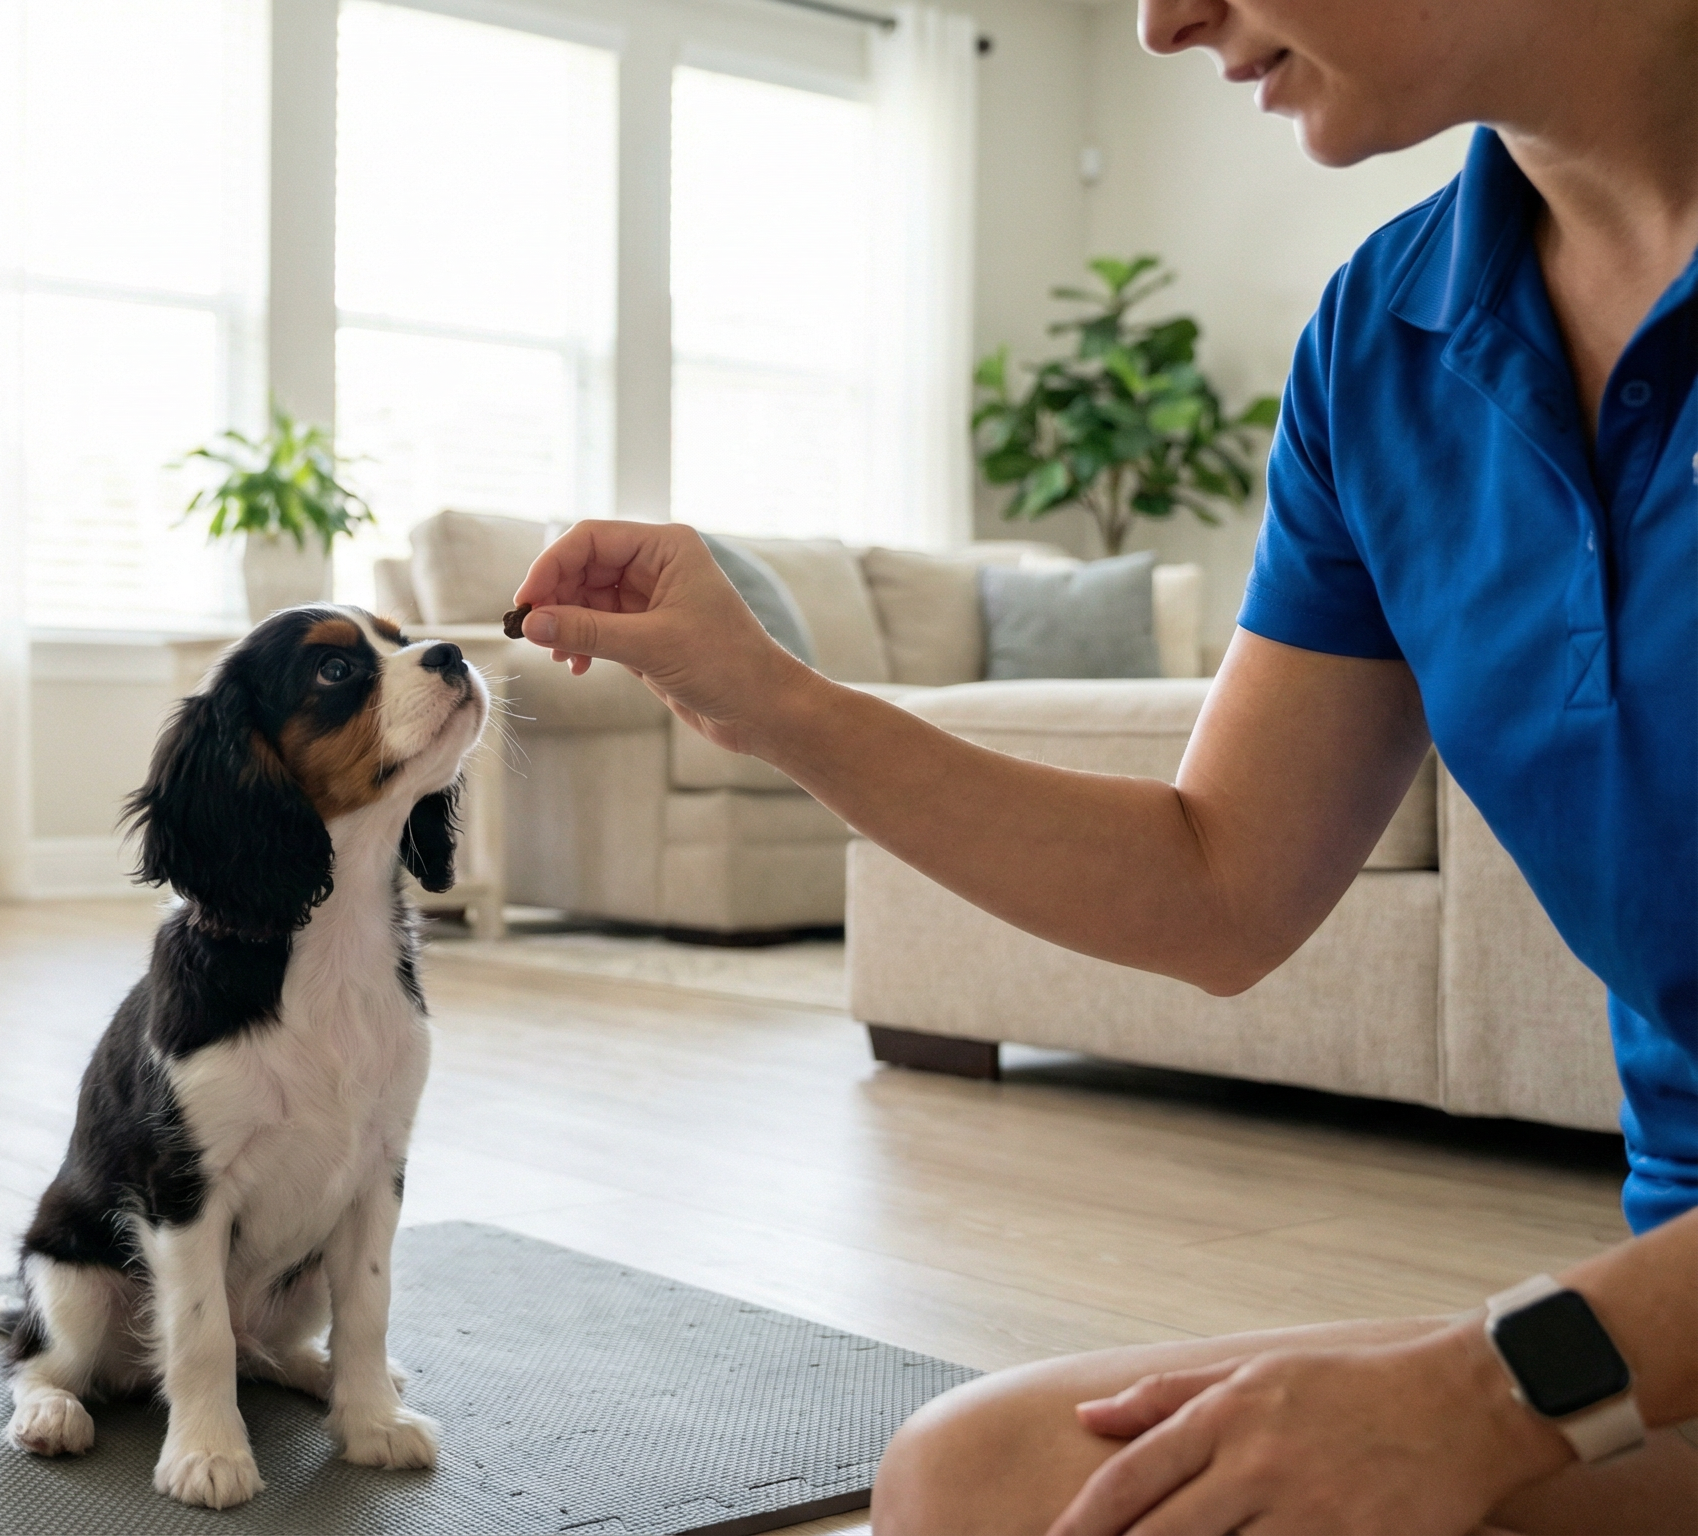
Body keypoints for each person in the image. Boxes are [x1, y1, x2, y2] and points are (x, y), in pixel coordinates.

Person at [506, 1, 1698, 1531]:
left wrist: (1489, 1394)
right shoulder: (1384, 343)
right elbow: (1217, 884)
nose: (1157, 21)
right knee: (984, 1478)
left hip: (1628, 1341)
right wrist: (776, 704)